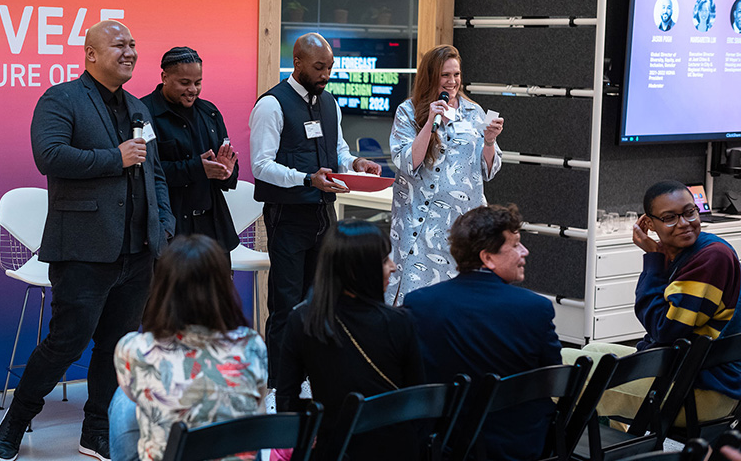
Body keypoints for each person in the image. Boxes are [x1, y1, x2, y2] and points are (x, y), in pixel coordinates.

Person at [0, 20, 175, 461]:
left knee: (117, 345)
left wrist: (164, 223)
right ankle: (14, 423)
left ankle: (96, 432)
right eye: (119, 45)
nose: (130, 52)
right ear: (91, 54)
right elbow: (48, 156)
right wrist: (115, 157)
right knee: (65, 343)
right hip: (83, 249)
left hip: (138, 252)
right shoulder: (61, 98)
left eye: (134, 44)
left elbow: (154, 172)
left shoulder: (138, 108)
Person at [249, 32, 381, 387]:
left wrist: (355, 163)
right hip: (287, 217)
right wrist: (307, 179)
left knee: (321, 300)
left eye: (330, 67)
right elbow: (260, 165)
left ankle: (310, 377)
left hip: (324, 215)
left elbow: (337, 149)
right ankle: (279, 384)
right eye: (319, 67)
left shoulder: (330, 103)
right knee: (286, 304)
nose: (326, 74)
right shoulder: (271, 105)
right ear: (297, 63)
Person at [404, 204, 561, 461]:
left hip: (443, 447)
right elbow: (553, 377)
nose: (525, 252)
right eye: (516, 245)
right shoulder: (534, 308)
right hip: (518, 447)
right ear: (487, 257)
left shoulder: (418, 303)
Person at [567, 180, 741, 423]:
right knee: (589, 351)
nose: (684, 224)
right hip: (684, 373)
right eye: (670, 217)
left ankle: (552, 454)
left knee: (565, 371)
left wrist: (652, 260)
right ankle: (624, 451)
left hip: (699, 392)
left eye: (690, 212)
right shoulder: (689, 251)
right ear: (648, 223)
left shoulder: (711, 257)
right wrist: (657, 258)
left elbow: (664, 330)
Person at [110, 234, 267, 461]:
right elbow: (257, 409)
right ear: (223, 287)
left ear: (162, 288)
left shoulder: (134, 348)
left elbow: (136, 399)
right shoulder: (252, 343)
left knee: (122, 399)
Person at [277, 220, 425, 461]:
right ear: (358, 270)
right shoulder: (401, 322)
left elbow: (285, 400)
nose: (392, 267)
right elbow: (418, 396)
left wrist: (314, 421)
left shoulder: (302, 320)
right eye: (383, 260)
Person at [386, 44, 503, 306]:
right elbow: (407, 162)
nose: (452, 82)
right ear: (431, 77)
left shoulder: (473, 112)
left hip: (461, 227)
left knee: (457, 300)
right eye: (445, 75)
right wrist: (429, 122)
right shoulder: (408, 111)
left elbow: (488, 170)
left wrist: (489, 142)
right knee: (415, 301)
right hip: (419, 224)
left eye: (456, 75)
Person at [139, 47, 240, 258]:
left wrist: (227, 171)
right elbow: (144, 173)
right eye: (184, 83)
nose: (193, 89)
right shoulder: (143, 113)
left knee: (216, 292)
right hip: (169, 232)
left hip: (213, 231)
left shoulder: (210, 113)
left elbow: (228, 175)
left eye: (198, 82)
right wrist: (196, 168)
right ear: (164, 77)